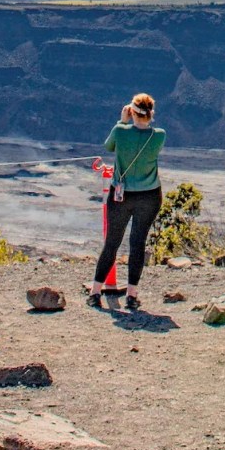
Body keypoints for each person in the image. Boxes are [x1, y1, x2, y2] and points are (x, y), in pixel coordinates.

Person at [88, 92, 165, 311]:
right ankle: (132, 295)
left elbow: (108, 146)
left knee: (112, 242)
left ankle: (95, 292)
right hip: (149, 195)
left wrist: (122, 121)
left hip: (121, 195)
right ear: (151, 113)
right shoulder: (159, 135)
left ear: (132, 111)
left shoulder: (120, 132)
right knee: (137, 243)